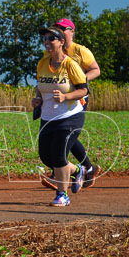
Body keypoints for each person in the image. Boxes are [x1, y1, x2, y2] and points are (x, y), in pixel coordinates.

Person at [32, 26, 89, 207]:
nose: (47, 42)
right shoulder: (42, 63)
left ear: (61, 42)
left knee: (58, 155)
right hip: (48, 117)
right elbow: (39, 86)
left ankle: (62, 195)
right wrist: (37, 99)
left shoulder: (71, 64)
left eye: (52, 38)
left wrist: (65, 97)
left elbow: (83, 90)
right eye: (45, 39)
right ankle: (77, 169)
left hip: (70, 117)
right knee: (46, 158)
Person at [42, 18, 101, 188]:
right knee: (64, 132)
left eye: (62, 29)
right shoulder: (51, 51)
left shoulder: (80, 51)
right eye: (56, 29)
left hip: (77, 96)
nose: (58, 31)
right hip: (55, 97)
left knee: (65, 130)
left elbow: (96, 70)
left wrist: (79, 81)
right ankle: (87, 169)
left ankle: (60, 172)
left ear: (71, 31)